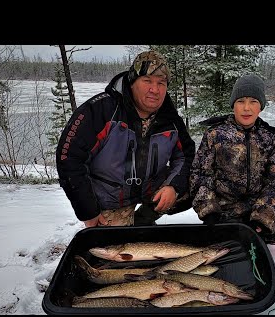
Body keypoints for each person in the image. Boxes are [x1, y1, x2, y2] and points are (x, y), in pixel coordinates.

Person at [56, 50, 195, 228]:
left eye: (161, 83)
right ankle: (120, 221)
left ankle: (143, 219)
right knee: (114, 251)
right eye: (147, 81)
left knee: (197, 181)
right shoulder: (101, 109)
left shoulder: (170, 118)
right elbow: (69, 158)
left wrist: (173, 187)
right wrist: (88, 210)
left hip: (149, 188)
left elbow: (186, 156)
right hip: (109, 198)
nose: (155, 89)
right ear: (132, 82)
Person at [189, 73, 275, 244]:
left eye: (253, 102)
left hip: (255, 209)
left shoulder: (269, 138)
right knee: (220, 237)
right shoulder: (215, 134)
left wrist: (263, 216)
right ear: (233, 105)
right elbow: (200, 174)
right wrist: (209, 211)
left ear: (261, 107)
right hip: (223, 210)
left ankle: (255, 227)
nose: (246, 108)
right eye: (240, 101)